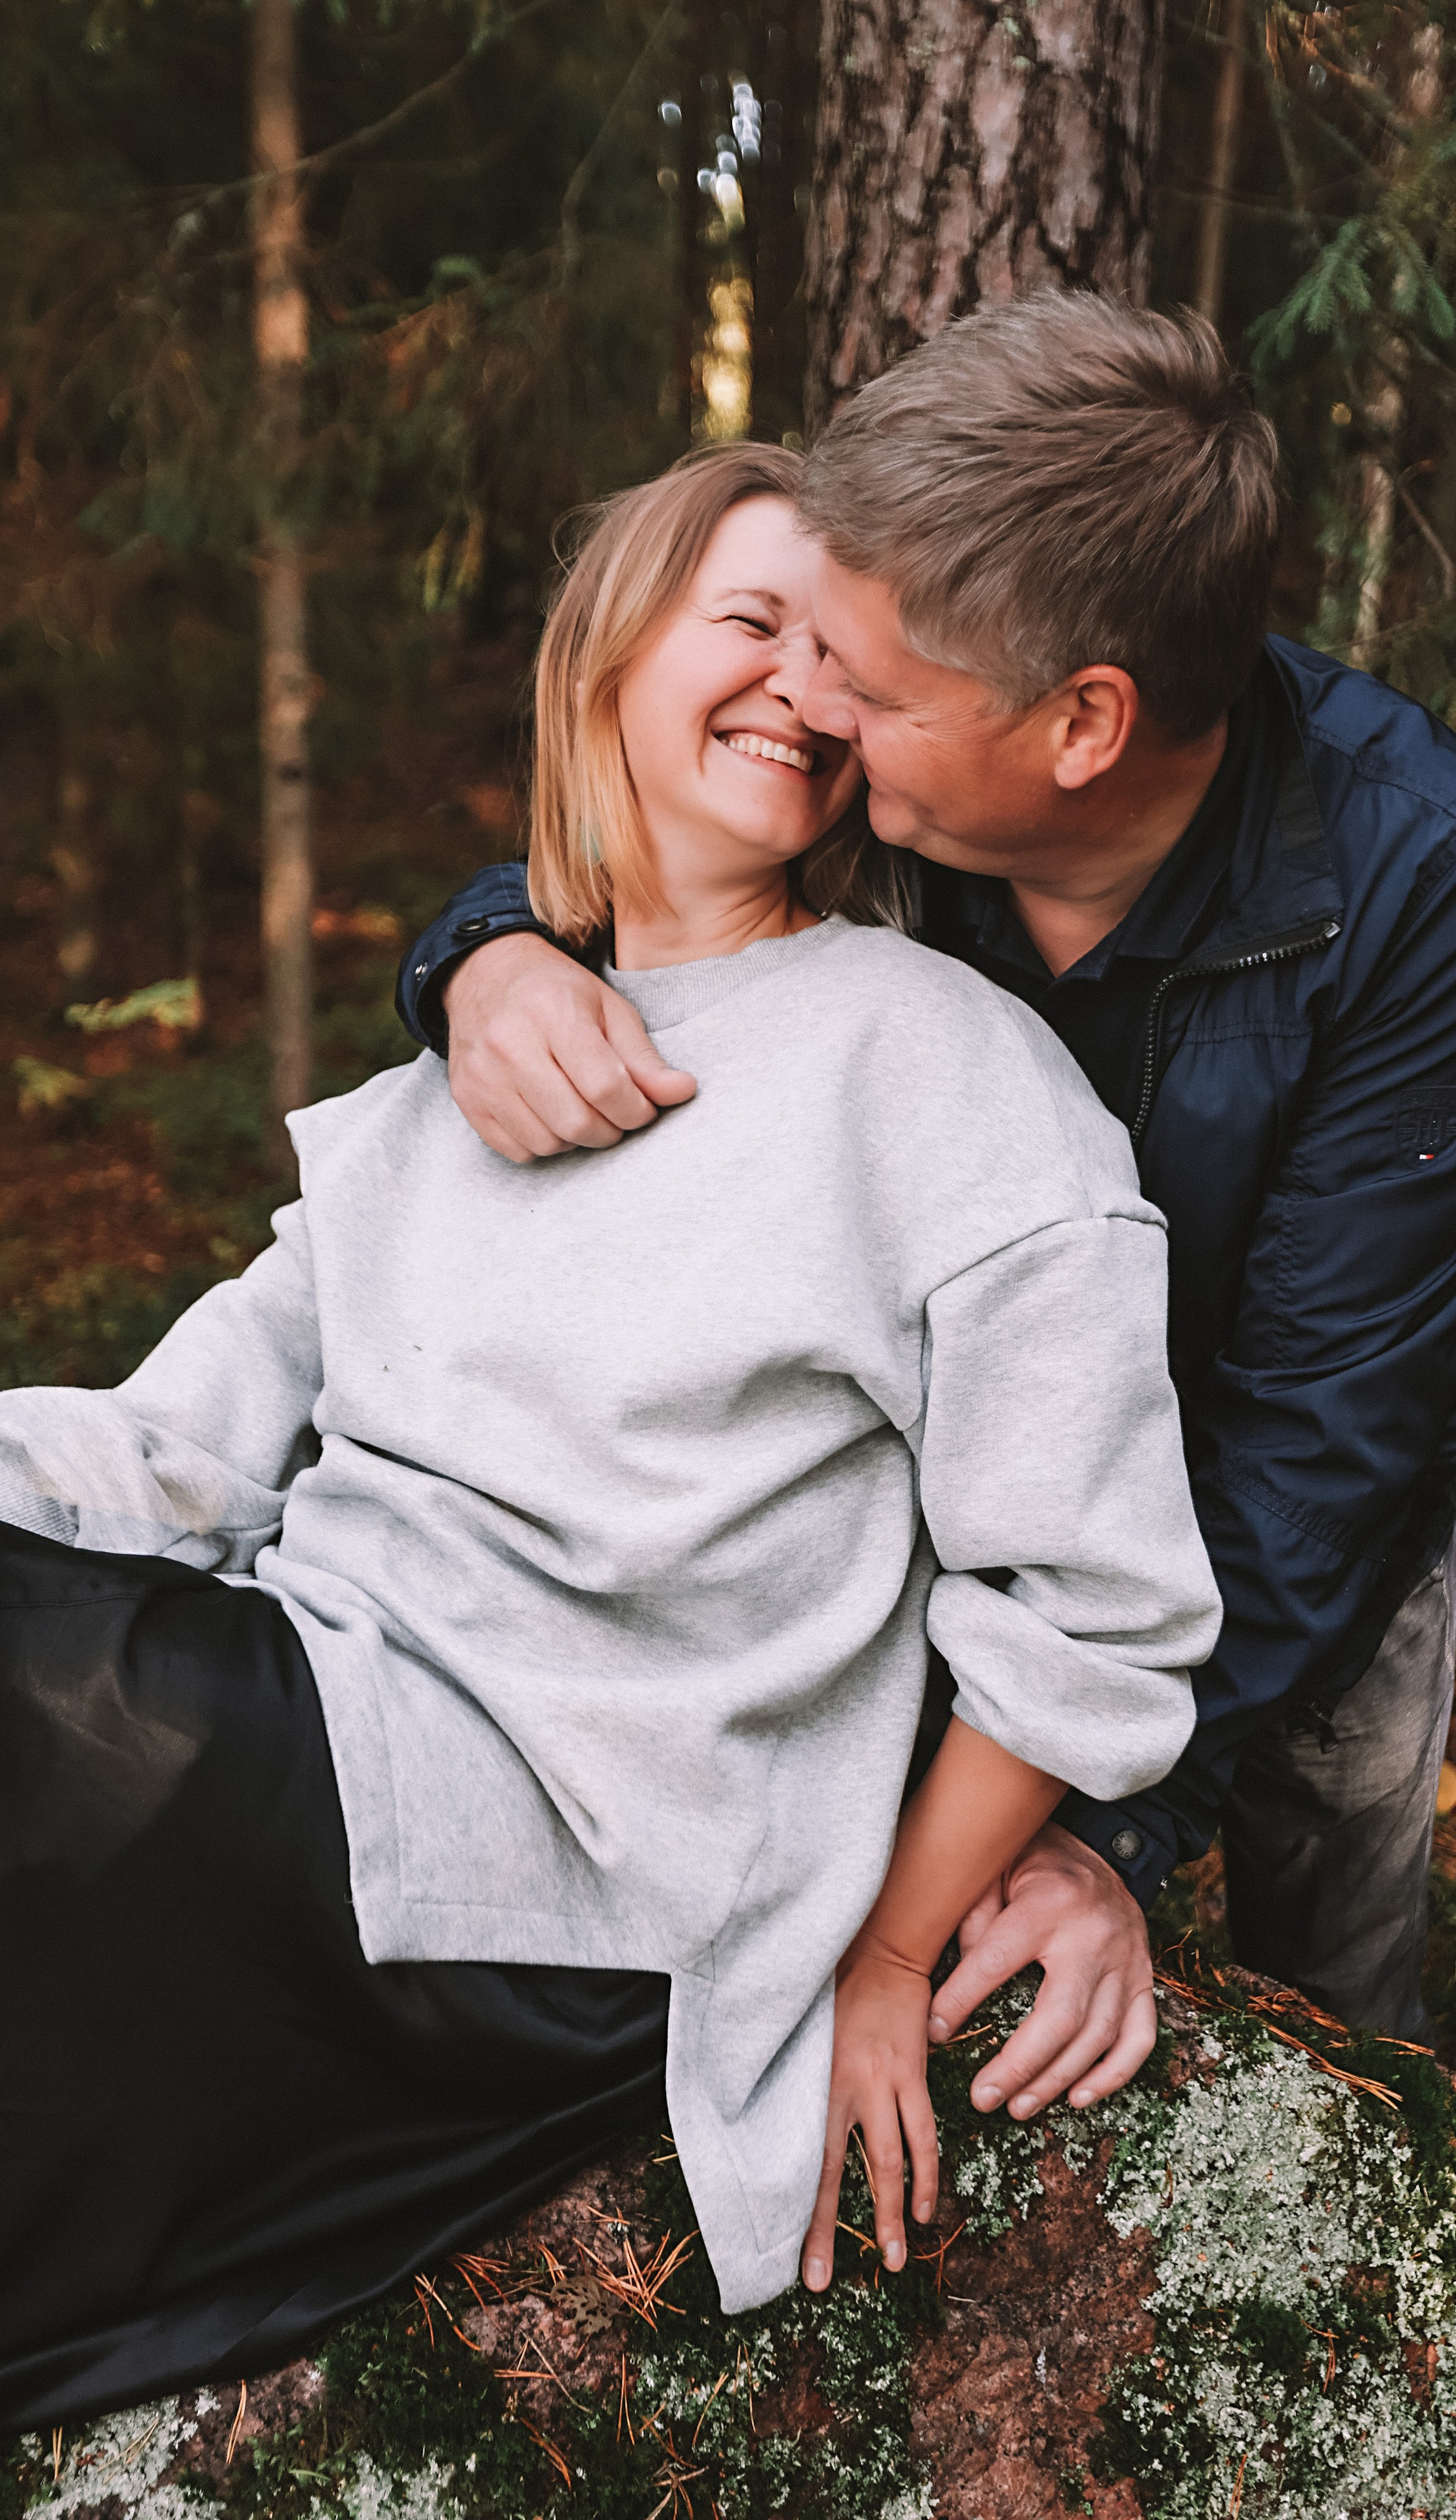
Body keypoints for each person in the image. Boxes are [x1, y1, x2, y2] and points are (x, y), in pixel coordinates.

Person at [0, 442, 1220, 2429]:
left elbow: (1103, 1609)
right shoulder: (453, 1083)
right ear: (605, 657)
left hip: (584, 1857)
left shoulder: (943, 1067)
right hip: (317, 1732)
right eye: (755, 623)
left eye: (843, 661)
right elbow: (172, 1450)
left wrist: (893, 1952)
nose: (805, 690)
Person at [402, 293, 1456, 2070]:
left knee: (1330, 2000)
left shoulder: (1419, 872)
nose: (816, 701)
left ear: (1082, 726)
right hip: (946, 1516)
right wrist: (479, 955)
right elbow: (640, 844)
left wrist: (1108, 1838)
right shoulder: (912, 788)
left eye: (867, 680)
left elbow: (1328, 1436)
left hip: (1291, 1542)